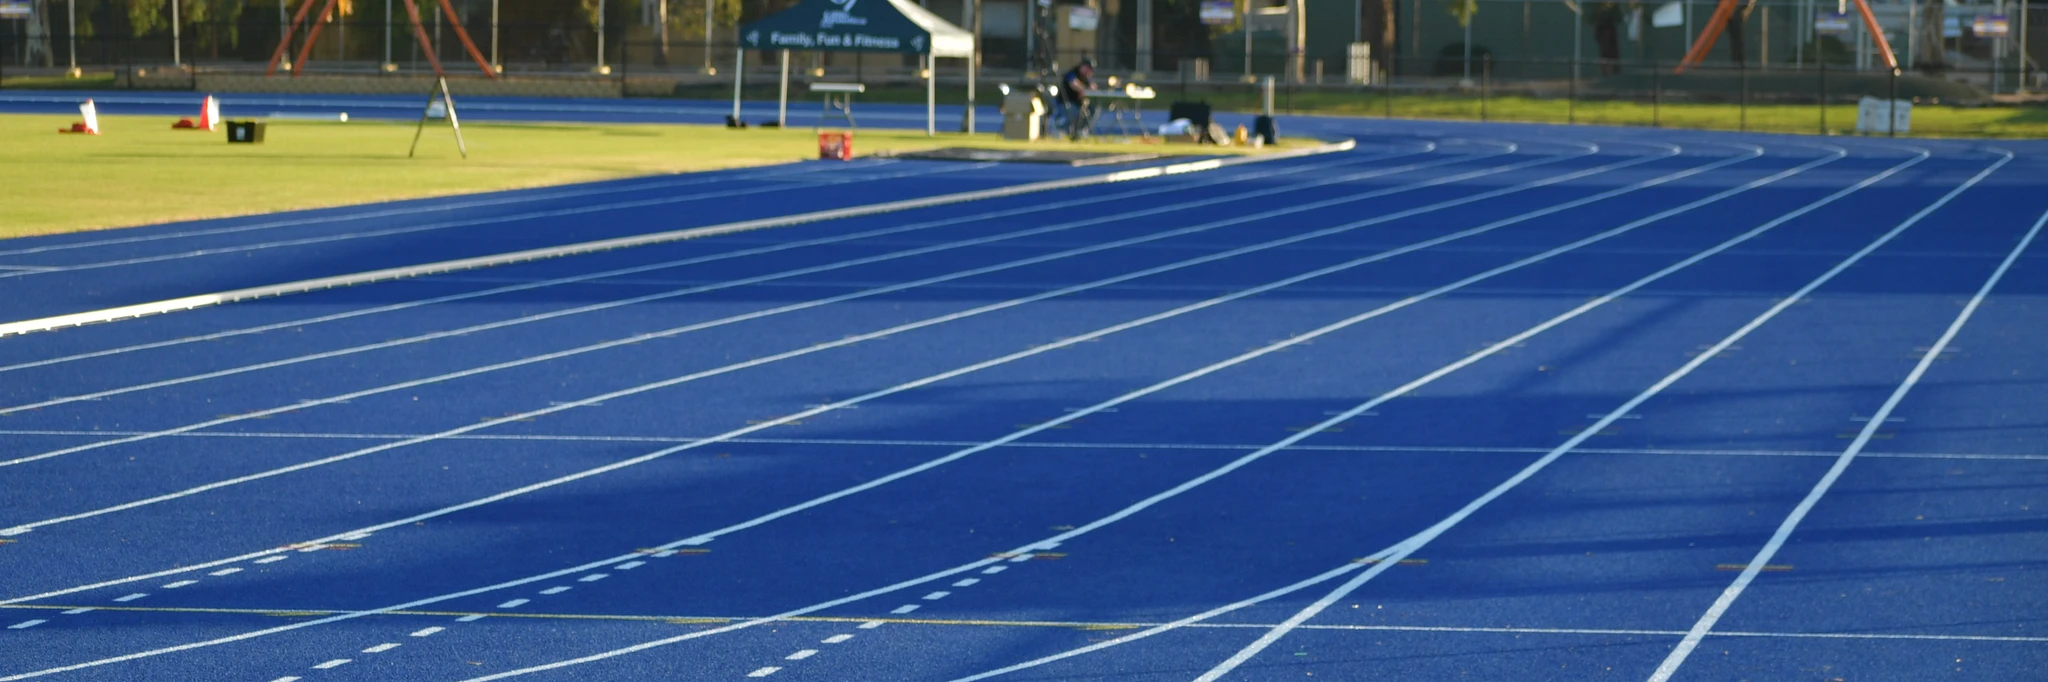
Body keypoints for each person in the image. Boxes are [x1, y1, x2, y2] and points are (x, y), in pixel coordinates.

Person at [1058, 59, 1097, 139]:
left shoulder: (1086, 77)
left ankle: (1081, 130)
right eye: (1088, 68)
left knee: (1092, 109)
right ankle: (1066, 131)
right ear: (1083, 67)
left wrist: (1089, 89)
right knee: (1075, 113)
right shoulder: (1072, 73)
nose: (1089, 71)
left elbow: (1093, 88)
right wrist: (1085, 90)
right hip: (1066, 103)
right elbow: (1074, 84)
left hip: (1079, 104)